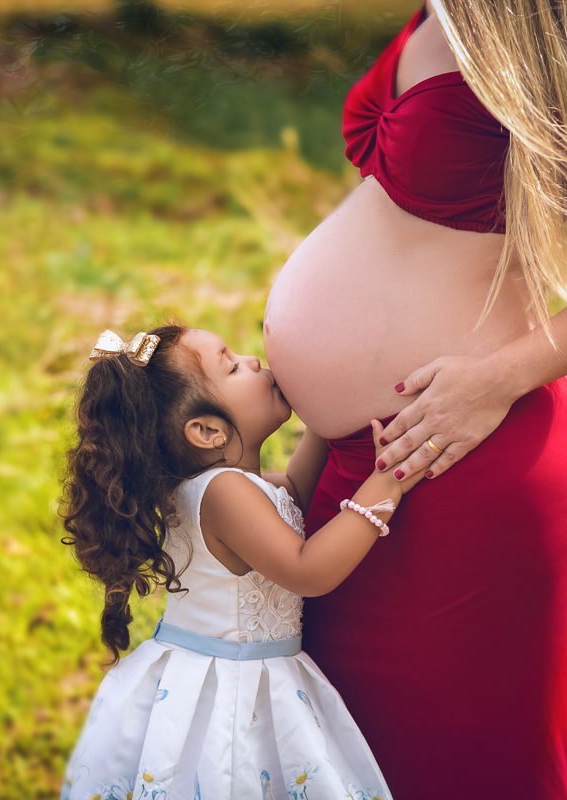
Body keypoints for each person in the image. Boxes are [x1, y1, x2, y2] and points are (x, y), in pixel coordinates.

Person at [262, 0, 567, 797]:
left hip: (467, 461)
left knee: (444, 766)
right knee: (344, 752)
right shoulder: (438, 10)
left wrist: (497, 380)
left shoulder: (543, 25)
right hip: (370, 460)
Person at [57, 324, 419, 800]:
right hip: (230, 693)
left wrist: (322, 409)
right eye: (231, 366)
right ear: (207, 431)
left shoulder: (234, 487)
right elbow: (309, 571)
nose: (251, 362)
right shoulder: (223, 493)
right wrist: (388, 479)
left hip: (255, 674)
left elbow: (298, 489)